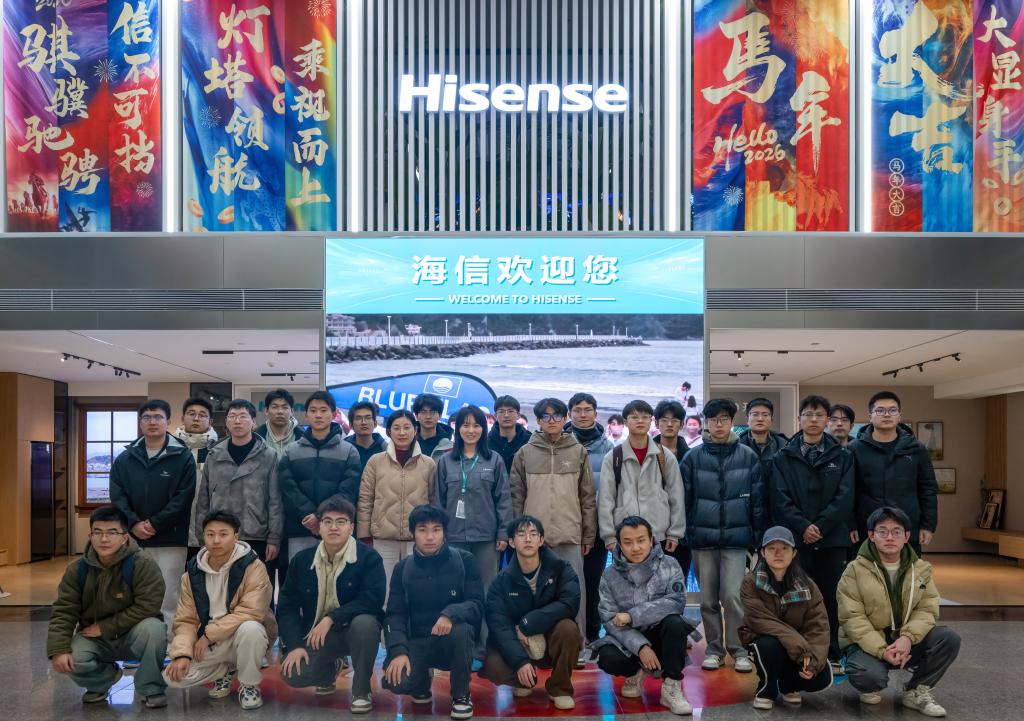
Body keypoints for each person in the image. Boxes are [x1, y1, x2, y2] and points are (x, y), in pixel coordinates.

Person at [839, 506, 960, 717]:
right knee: (869, 678)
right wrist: (882, 650)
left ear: (906, 536)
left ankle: (916, 691)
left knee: (949, 638)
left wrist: (907, 637)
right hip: (868, 643)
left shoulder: (920, 569)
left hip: (905, 641)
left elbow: (927, 609)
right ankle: (871, 685)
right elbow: (852, 618)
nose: (889, 537)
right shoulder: (854, 571)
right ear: (871, 536)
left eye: (896, 532)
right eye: (882, 531)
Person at [47, 506, 168, 708]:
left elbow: (148, 606)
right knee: (71, 657)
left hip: (133, 634)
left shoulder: (142, 563)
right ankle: (102, 681)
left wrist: (106, 627)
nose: (104, 539)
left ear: (124, 537)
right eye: (98, 532)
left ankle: (150, 687)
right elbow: (64, 611)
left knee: (155, 630)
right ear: (90, 536)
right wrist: (58, 649)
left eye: (112, 532)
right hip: (95, 639)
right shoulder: (77, 569)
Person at [680, 398, 766, 673]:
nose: (719, 424)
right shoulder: (692, 457)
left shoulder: (747, 456)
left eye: (724, 419)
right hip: (702, 540)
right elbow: (684, 500)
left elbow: (758, 501)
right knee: (707, 600)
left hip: (736, 540)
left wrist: (756, 537)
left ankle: (739, 649)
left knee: (732, 597)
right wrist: (688, 532)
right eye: (713, 420)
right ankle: (714, 650)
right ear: (706, 423)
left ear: (731, 422)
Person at [277, 496, 384, 712]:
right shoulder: (302, 561)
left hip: (355, 630)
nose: (333, 527)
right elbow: (287, 606)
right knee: (293, 673)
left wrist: (331, 618)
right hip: (319, 635)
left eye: (341, 522)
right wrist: (295, 645)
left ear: (351, 527)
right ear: (319, 527)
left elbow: (372, 600)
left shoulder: (368, 558)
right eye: (327, 521)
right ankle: (330, 669)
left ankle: (361, 690)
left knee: (365, 624)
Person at [770, 394, 854, 667]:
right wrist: (803, 526)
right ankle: (798, 650)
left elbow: (845, 497)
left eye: (819, 415)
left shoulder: (843, 455)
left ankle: (831, 651)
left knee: (831, 597)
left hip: (832, 538)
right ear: (799, 419)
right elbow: (779, 497)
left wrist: (821, 525)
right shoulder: (783, 456)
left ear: (827, 420)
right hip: (797, 540)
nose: (814, 420)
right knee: (796, 597)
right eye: (808, 414)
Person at [164, 511, 276, 710]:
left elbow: (251, 611)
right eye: (210, 534)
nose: (216, 540)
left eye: (223, 534)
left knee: (251, 629)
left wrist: (209, 636)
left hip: (239, 636)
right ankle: (225, 671)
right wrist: (182, 654)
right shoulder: (192, 573)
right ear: (203, 537)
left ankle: (249, 685)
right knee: (174, 677)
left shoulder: (253, 567)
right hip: (211, 642)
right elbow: (186, 620)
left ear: (236, 537)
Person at [382, 505, 484, 720]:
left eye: (436, 530)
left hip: (452, 642)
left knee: (462, 630)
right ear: (413, 533)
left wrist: (450, 614)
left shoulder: (464, 561)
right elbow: (395, 614)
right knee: (397, 681)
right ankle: (420, 683)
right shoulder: (403, 568)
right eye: (423, 530)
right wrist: (398, 651)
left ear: (444, 532)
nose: (430, 537)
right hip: (418, 640)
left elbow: (476, 604)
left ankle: (461, 695)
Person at [109, 399, 197, 639]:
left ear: (168, 422)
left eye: (158, 417)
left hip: (171, 537)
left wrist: (155, 523)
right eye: (146, 417)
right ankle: (136, 641)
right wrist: (134, 523)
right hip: (133, 539)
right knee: (133, 591)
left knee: (169, 593)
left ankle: (168, 643)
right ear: (140, 423)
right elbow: (117, 495)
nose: (152, 422)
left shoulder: (182, 456)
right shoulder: (125, 458)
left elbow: (184, 497)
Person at [510, 397, 597, 636]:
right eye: (545, 416)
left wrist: (588, 535)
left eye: (557, 415)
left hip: (570, 534)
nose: (551, 420)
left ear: (565, 418)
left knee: (574, 591)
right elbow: (516, 496)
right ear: (538, 420)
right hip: (533, 539)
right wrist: (517, 534)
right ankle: (533, 643)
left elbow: (587, 496)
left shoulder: (578, 451)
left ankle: (578, 643)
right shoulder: (525, 453)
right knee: (533, 593)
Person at [593, 516, 693, 716]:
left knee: (675, 623)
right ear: (619, 544)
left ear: (651, 540)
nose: (636, 548)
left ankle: (672, 686)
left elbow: (676, 602)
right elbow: (610, 619)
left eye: (641, 540)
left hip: (661, 635)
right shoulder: (609, 575)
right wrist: (640, 647)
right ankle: (636, 672)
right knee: (607, 658)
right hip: (628, 640)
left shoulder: (669, 564)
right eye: (628, 542)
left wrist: (632, 615)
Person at [480, 515, 582, 710]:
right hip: (520, 643)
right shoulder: (501, 581)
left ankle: (560, 688)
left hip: (551, 637)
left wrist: (528, 623)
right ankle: (524, 679)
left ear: (541, 540)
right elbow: (499, 624)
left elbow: (570, 603)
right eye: (521, 534)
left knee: (568, 629)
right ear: (511, 542)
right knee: (493, 664)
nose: (528, 539)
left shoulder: (561, 568)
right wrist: (520, 662)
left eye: (533, 534)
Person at [436, 405, 512, 657]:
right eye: (465, 425)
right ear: (457, 429)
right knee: (454, 591)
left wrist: (503, 533)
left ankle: (482, 647)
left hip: (486, 539)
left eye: (476, 425)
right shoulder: (445, 461)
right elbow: (438, 501)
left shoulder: (494, 460)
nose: (471, 430)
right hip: (454, 538)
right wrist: (439, 535)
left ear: (484, 428)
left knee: (486, 592)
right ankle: (455, 646)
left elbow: (504, 500)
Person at [192, 399, 282, 593]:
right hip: (220, 537)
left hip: (256, 535)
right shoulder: (214, 455)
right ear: (226, 422)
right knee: (221, 593)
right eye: (232, 416)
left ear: (253, 421)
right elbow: (203, 500)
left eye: (243, 416)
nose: (238, 421)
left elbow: (275, 501)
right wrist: (202, 538)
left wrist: (274, 539)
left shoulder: (268, 455)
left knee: (258, 593)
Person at [739, 526, 833, 711]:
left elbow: (818, 626)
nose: (778, 553)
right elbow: (761, 621)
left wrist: (813, 661)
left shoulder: (807, 585)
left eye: (784, 548)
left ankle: (788, 685)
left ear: (794, 553)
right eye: (772, 548)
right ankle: (767, 689)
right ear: (763, 553)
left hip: (797, 648)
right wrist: (800, 647)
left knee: (822, 677)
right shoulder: (750, 582)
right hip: (767, 640)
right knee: (767, 645)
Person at [599, 400, 686, 594]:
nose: (640, 421)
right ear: (625, 421)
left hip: (658, 536)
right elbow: (605, 500)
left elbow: (676, 497)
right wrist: (609, 536)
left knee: (660, 590)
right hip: (625, 538)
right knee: (627, 591)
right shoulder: (613, 457)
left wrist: (675, 533)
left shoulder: (664, 456)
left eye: (645, 417)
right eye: (634, 417)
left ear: (651, 421)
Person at [848, 391, 938, 555]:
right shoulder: (854, 449)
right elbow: (848, 491)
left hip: (906, 525)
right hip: (866, 527)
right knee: (866, 569)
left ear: (899, 416)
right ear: (870, 416)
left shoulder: (916, 448)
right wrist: (850, 524)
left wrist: (928, 525)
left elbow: (928, 489)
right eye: (880, 410)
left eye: (892, 410)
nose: (887, 414)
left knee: (907, 569)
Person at [357, 410, 438, 590]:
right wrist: (364, 535)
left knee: (417, 589)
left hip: (417, 539)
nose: (402, 433)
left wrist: (432, 534)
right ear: (388, 431)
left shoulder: (428, 464)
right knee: (384, 589)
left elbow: (434, 501)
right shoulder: (375, 461)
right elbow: (365, 500)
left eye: (407, 427)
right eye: (396, 428)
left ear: (415, 430)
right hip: (383, 538)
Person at [279, 390, 362, 561]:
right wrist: (310, 516)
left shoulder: (349, 451)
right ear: (306, 415)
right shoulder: (291, 451)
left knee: (337, 574)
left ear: (334, 414)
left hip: (336, 527)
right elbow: (288, 489)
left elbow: (348, 490)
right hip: (301, 528)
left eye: (323, 410)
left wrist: (320, 516)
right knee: (301, 574)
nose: (318, 415)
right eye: (313, 410)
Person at [566, 392, 614, 646]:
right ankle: (570, 635)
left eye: (587, 410)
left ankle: (593, 634)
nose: (582, 414)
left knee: (594, 581)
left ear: (596, 413)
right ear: (570, 414)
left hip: (595, 527)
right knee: (567, 582)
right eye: (577, 410)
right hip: (566, 525)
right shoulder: (561, 444)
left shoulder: (608, 448)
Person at [175, 397, 219, 561]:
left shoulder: (218, 450)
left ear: (210, 421)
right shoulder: (172, 449)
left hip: (210, 529)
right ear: (182, 418)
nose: (196, 418)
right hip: (175, 528)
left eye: (202, 415)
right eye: (191, 414)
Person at [738, 398, 788, 506]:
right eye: (755, 414)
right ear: (747, 419)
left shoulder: (785, 446)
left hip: (777, 506)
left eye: (765, 415)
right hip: (745, 506)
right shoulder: (736, 447)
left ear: (771, 420)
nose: (760, 419)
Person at [488, 395, 531, 474]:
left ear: (518, 415)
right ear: (495, 416)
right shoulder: (487, 442)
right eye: (501, 411)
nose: (506, 415)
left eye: (510, 411)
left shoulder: (529, 441)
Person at [255, 388, 304, 457]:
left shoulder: (303, 437)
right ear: (266, 411)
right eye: (274, 407)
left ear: (292, 412)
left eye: (285, 407)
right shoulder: (256, 437)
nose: (280, 412)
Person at [344, 400, 389, 473]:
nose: (363, 422)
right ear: (351, 425)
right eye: (358, 418)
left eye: (368, 418)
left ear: (375, 423)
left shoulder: (386, 450)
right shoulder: (344, 450)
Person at [412, 393, 454, 458]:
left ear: (440, 415)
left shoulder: (449, 447)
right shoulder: (408, 441)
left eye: (433, 412)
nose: (428, 416)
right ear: (416, 416)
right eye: (423, 412)